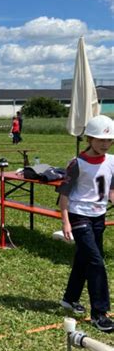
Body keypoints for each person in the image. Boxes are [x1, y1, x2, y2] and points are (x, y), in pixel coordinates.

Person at [57, 115, 114, 332]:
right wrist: (65, 222)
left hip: (99, 216)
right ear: (89, 138)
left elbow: (110, 190)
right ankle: (100, 314)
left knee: (84, 259)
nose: (105, 144)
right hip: (78, 215)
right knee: (96, 262)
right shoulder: (76, 163)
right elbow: (64, 194)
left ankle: (69, 299)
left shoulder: (112, 161)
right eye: (101, 140)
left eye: (109, 141)